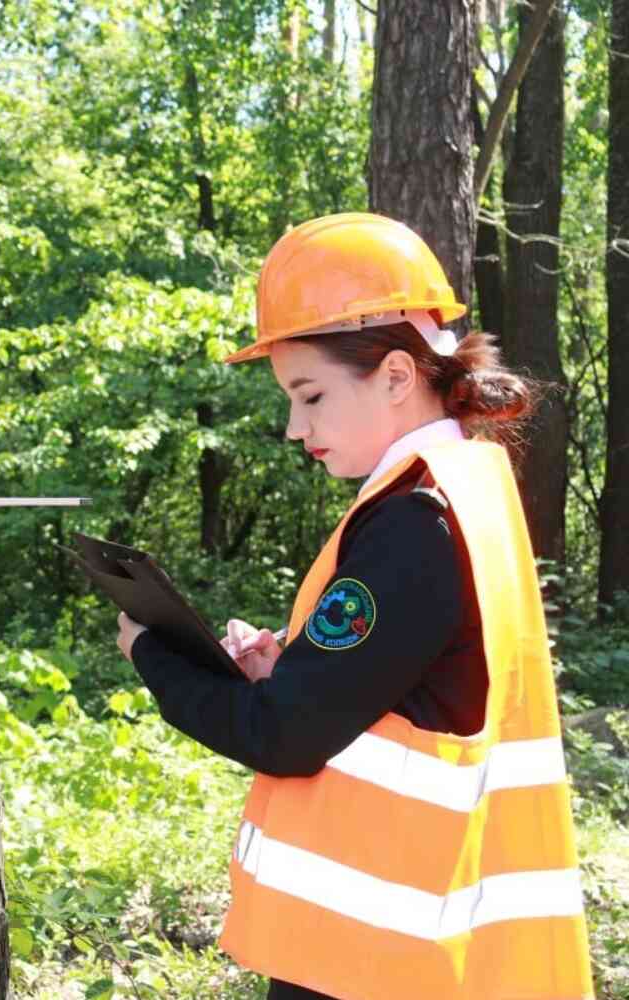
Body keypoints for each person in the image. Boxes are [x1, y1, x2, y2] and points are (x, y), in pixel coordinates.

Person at [113, 213, 593, 1000]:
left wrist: (151, 653)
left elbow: (282, 736)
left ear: (398, 375)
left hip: (376, 958)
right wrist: (294, 667)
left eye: (310, 396)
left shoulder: (414, 523)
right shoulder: (468, 486)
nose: (296, 427)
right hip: (423, 939)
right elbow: (420, 689)